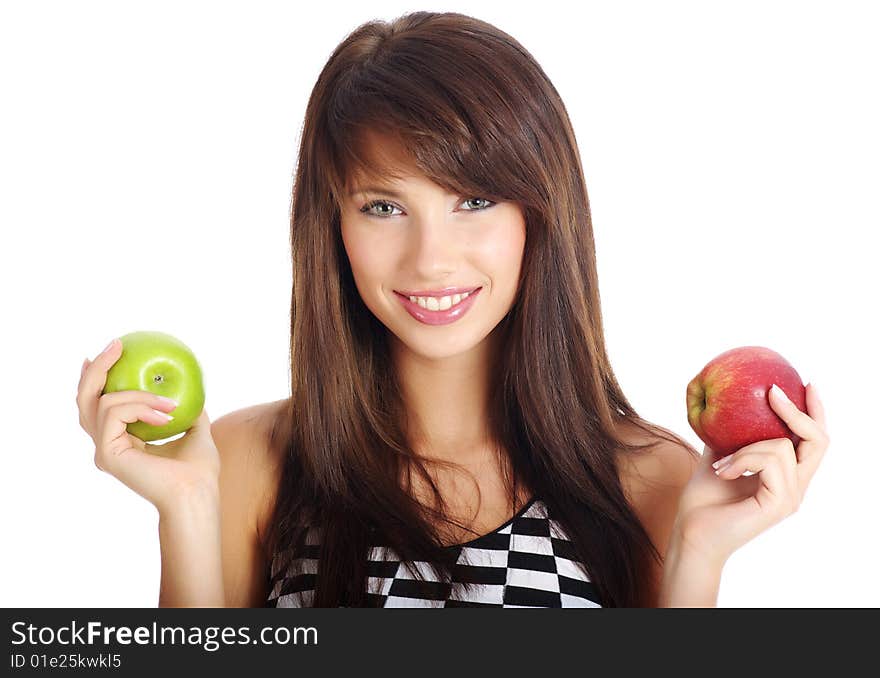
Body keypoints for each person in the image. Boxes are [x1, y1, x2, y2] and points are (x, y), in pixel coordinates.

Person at [75, 11, 829, 608]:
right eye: (381, 206)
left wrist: (701, 553)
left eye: (474, 199)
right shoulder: (250, 462)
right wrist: (185, 508)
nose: (431, 257)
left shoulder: (650, 482)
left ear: (540, 213)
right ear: (330, 227)